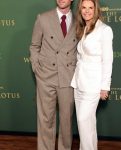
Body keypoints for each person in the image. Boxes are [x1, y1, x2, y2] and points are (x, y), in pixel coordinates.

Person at [29, 0, 77, 150]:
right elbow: (34, 46)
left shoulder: (79, 20)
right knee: (45, 119)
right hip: (46, 77)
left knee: (66, 121)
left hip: (68, 77)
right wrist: (37, 68)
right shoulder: (43, 18)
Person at [71, 0, 113, 149]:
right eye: (84, 7)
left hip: (93, 84)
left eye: (90, 7)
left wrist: (105, 86)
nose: (87, 11)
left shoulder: (104, 30)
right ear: (80, 9)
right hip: (78, 82)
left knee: (83, 121)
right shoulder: (82, 27)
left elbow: (107, 60)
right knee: (88, 124)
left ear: (96, 9)